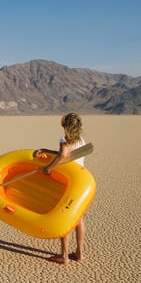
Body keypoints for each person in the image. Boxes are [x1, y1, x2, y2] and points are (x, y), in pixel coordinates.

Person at [32, 112, 87, 265]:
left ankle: (64, 256)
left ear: (65, 125)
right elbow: (68, 154)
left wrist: (49, 168)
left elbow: (63, 155)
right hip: (82, 182)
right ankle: (79, 253)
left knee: (65, 219)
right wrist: (46, 150)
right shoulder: (81, 141)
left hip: (69, 183)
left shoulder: (64, 140)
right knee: (79, 219)